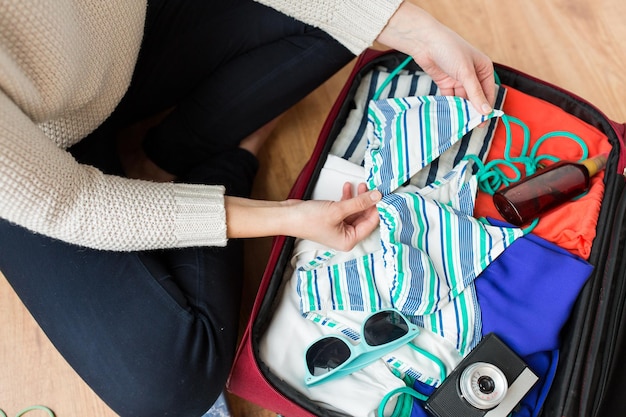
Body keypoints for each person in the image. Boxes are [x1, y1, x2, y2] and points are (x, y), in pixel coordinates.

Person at [0, 0, 496, 416]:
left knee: (353, 14)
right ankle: (218, 162)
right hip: (36, 173)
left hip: (121, 44)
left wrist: (416, 29)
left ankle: (173, 155)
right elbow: (73, 203)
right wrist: (283, 215)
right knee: (170, 384)